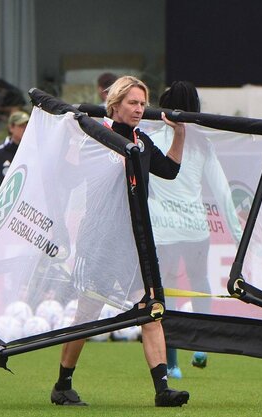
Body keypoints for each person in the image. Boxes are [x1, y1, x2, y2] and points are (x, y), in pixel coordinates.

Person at [51, 75, 190, 408]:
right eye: (133, 103)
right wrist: (70, 139)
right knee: (88, 313)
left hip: (137, 240)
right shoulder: (97, 138)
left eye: (143, 103)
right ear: (114, 105)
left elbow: (169, 170)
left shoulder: (141, 140)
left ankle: (162, 390)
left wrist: (180, 133)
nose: (140, 109)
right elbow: (70, 177)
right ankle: (62, 385)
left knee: (152, 310)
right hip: (100, 240)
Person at [149, 81, 243, 379]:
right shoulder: (203, 143)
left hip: (163, 229)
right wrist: (239, 233)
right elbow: (222, 191)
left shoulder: (150, 137)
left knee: (169, 293)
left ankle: (173, 364)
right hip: (195, 229)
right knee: (200, 282)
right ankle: (201, 345)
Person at [0, 111, 29, 202]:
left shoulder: (33, 152)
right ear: (11, 128)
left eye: (27, 126)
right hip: (3, 209)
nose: (25, 129)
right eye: (21, 126)